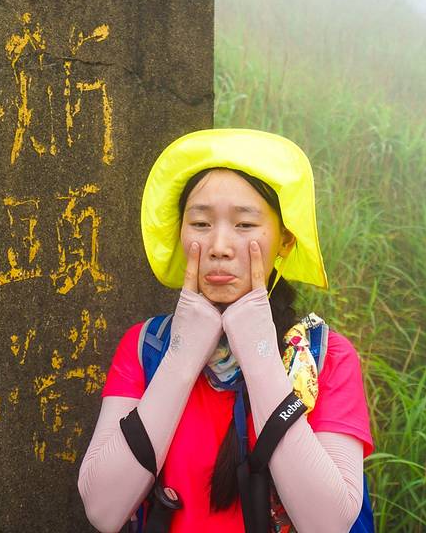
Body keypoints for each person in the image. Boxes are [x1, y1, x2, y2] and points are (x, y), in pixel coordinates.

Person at [78, 129, 373, 533]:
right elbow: (102, 510)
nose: (219, 245)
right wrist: (182, 354)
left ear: (285, 240)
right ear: (181, 234)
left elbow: (328, 524)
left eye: (245, 224)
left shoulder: (326, 358)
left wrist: (260, 354)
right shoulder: (147, 347)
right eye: (200, 223)